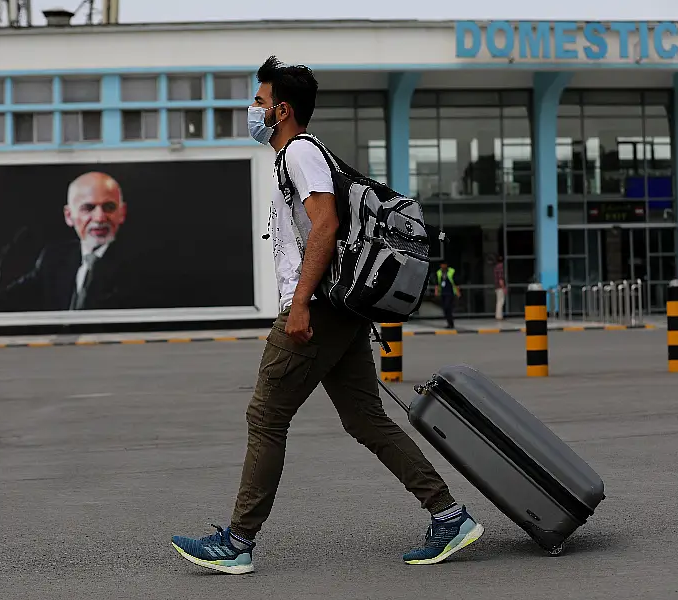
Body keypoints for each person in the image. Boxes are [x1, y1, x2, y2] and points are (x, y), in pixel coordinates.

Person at [170, 56, 483, 575]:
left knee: (266, 417)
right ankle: (449, 515)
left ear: (282, 110)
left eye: (259, 101)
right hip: (337, 309)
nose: (253, 109)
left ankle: (239, 542)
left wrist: (298, 305)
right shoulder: (298, 155)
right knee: (365, 417)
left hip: (317, 309)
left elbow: (325, 227)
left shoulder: (300, 153)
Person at [0, 171, 159, 313]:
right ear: (69, 216)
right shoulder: (55, 257)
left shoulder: (140, 263)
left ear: (122, 213)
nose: (100, 217)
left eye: (109, 207)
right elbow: (13, 297)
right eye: (88, 208)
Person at [434, 262, 461, 329]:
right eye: (441, 265)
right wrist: (436, 291)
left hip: (450, 292)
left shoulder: (451, 271)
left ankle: (451, 323)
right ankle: (449, 323)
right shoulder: (439, 272)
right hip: (443, 292)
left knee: (447, 307)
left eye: (444, 264)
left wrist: (458, 292)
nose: (442, 266)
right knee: (445, 309)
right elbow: (437, 283)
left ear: (446, 265)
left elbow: (456, 282)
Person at [493, 255, 506, 321]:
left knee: (498, 301)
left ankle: (498, 315)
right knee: (501, 302)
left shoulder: (495, 267)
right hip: (500, 287)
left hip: (496, 286)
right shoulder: (501, 267)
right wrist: (504, 288)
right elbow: (501, 279)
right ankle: (499, 316)